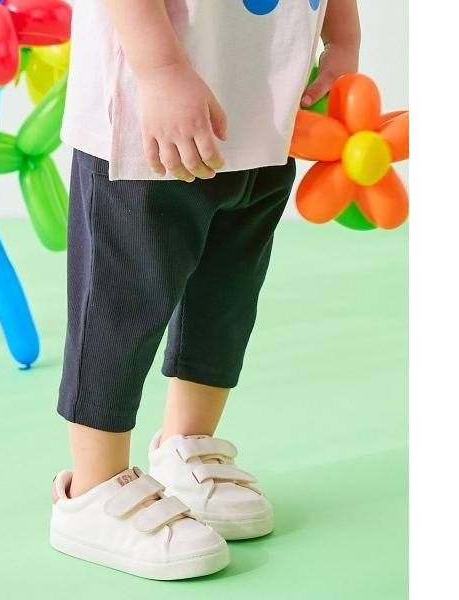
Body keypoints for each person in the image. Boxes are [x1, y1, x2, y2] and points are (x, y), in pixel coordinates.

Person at [50, 0, 360, 580]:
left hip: (266, 100)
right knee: (122, 301)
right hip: (148, 111)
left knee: (227, 294)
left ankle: (186, 442)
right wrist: (161, 70)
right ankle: (92, 488)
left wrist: (343, 38)